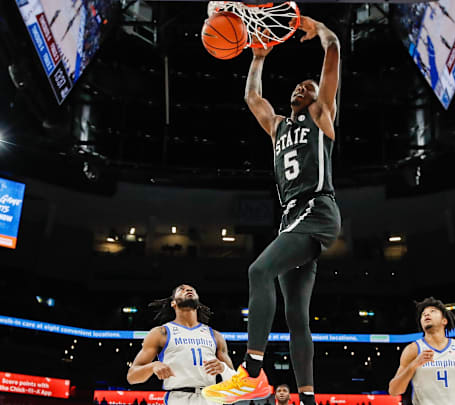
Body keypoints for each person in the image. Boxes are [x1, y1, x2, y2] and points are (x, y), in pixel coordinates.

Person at [202, 15, 342, 405]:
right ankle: (309, 399)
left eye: (309, 86)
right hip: (292, 217)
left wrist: (323, 32)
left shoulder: (321, 116)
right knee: (297, 317)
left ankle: (251, 372)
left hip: (316, 209)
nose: (302, 86)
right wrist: (259, 57)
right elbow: (252, 98)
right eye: (299, 85)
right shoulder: (278, 125)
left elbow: (333, 54)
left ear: (318, 98)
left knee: (258, 270)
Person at [127, 285, 236, 405]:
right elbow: (132, 377)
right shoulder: (161, 333)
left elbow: (235, 382)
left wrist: (223, 368)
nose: (188, 290)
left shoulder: (215, 335)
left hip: (210, 398)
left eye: (191, 289)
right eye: (181, 289)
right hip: (178, 398)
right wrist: (153, 366)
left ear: (198, 303)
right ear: (173, 303)